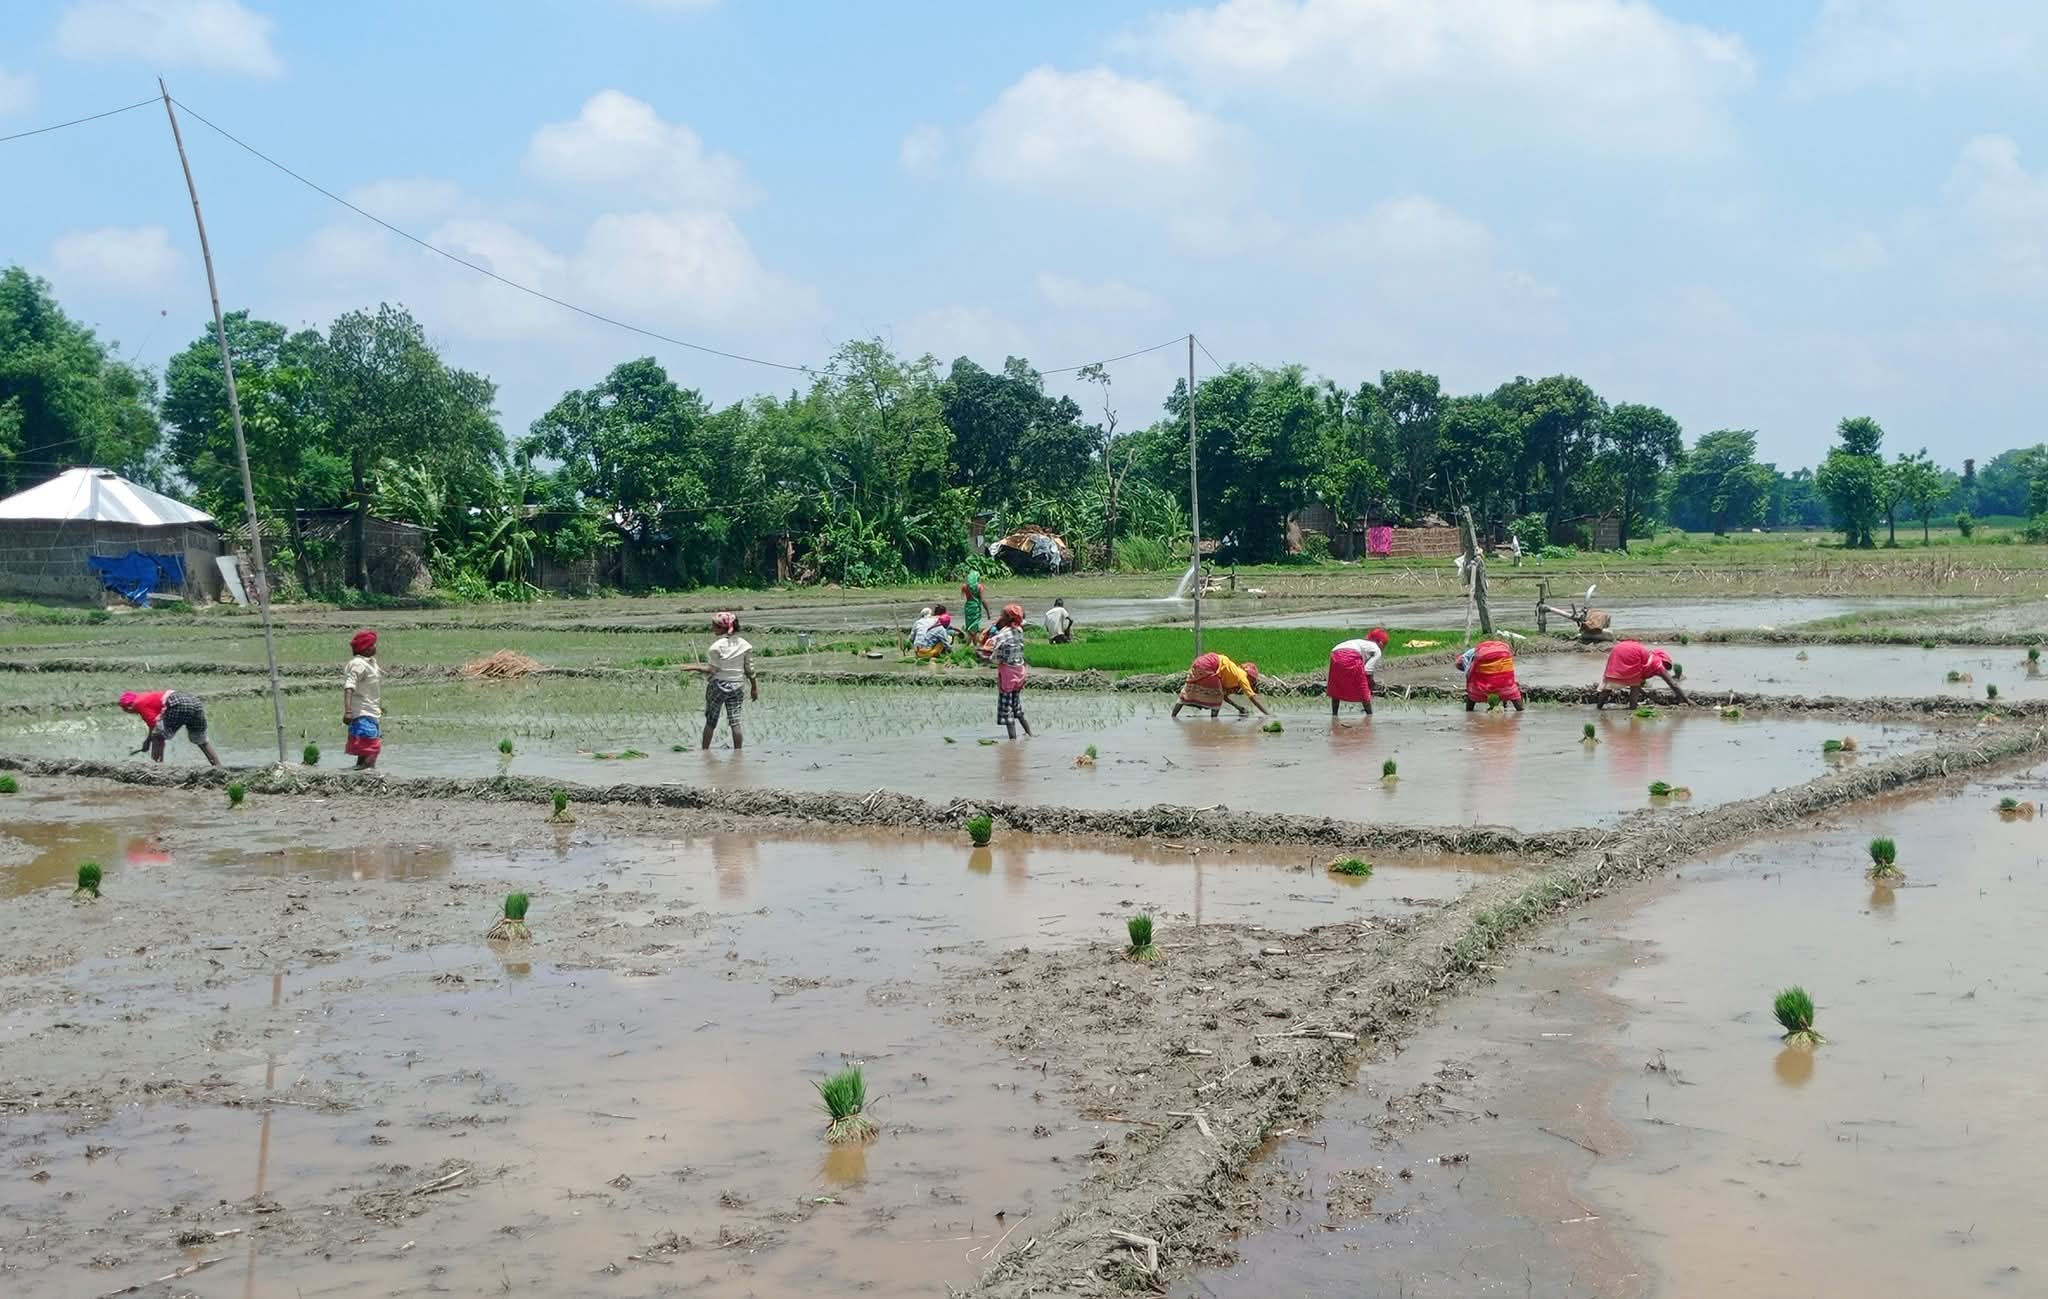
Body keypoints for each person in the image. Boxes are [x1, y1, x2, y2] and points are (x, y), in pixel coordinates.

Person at [683, 611, 759, 749]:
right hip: (737, 686)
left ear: (722, 628)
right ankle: (738, 753)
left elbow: (712, 670)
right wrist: (754, 688)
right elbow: (750, 670)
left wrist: (694, 667)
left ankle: (705, 751)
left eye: (714, 626)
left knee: (711, 721)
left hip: (718, 686)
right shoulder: (745, 645)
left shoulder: (716, 647)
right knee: (735, 722)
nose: (712, 628)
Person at [118, 688, 222, 766]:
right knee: (201, 741)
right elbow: (156, 725)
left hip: (177, 702)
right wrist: (148, 741)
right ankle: (218, 768)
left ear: (128, 707)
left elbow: (155, 728)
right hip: (195, 702)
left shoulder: (138, 704)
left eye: (125, 710)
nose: (129, 713)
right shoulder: (146, 698)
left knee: (157, 736)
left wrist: (148, 741)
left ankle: (157, 768)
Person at [1172, 652, 1271, 719]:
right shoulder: (1242, 676)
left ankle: (1173, 716)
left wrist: (1239, 708)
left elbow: (1224, 696)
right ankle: (1214, 722)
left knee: (1187, 691)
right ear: (1250, 678)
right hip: (1210, 665)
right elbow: (1252, 697)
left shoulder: (1231, 673)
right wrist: (1267, 714)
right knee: (1216, 696)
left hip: (1198, 663)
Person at [1598, 639, 1687, 709]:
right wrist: (1687, 701)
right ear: (1664, 661)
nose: (1665, 670)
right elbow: (1673, 685)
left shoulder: (1649, 658)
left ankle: (1599, 707)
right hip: (1629, 652)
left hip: (1618, 649)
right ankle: (1632, 708)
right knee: (1635, 686)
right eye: (1666, 666)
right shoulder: (1658, 664)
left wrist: (1647, 695)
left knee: (1610, 682)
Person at [989, 603, 1034, 739]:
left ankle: (1012, 741)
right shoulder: (1019, 630)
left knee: (1007, 708)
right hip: (1020, 672)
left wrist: (987, 658)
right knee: (1016, 705)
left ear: (1006, 618)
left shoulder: (1003, 635)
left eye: (1002, 615)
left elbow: (995, 657)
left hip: (1008, 675)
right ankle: (1030, 734)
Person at [343, 628, 382, 769]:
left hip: (371, 712)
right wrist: (348, 711)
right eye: (372, 645)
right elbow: (349, 687)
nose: (375, 647)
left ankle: (358, 775)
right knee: (372, 749)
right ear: (365, 648)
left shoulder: (370, 663)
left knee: (365, 751)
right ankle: (367, 776)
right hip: (362, 714)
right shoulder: (358, 664)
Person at [1325, 627, 1389, 716]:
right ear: (1381, 643)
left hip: (1335, 653)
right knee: (1363, 687)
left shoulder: (1361, 643)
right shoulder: (1377, 650)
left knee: (1337, 684)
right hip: (1351, 654)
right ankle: (1369, 715)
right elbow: (1368, 670)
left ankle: (1334, 715)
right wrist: (1372, 684)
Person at [1459, 639, 1524, 712]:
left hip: (1481, 689)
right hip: (1506, 687)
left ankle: (1469, 711)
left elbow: (1462, 661)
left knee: (1471, 693)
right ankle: (1520, 708)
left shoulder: (1476, 650)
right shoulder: (1505, 650)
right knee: (1508, 684)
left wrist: (1468, 675)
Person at [961, 571, 990, 646]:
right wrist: (987, 612)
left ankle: (973, 644)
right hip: (976, 608)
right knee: (975, 628)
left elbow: (962, 596)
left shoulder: (964, 586)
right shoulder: (979, 587)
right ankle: (971, 645)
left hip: (968, 608)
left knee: (970, 627)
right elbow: (983, 600)